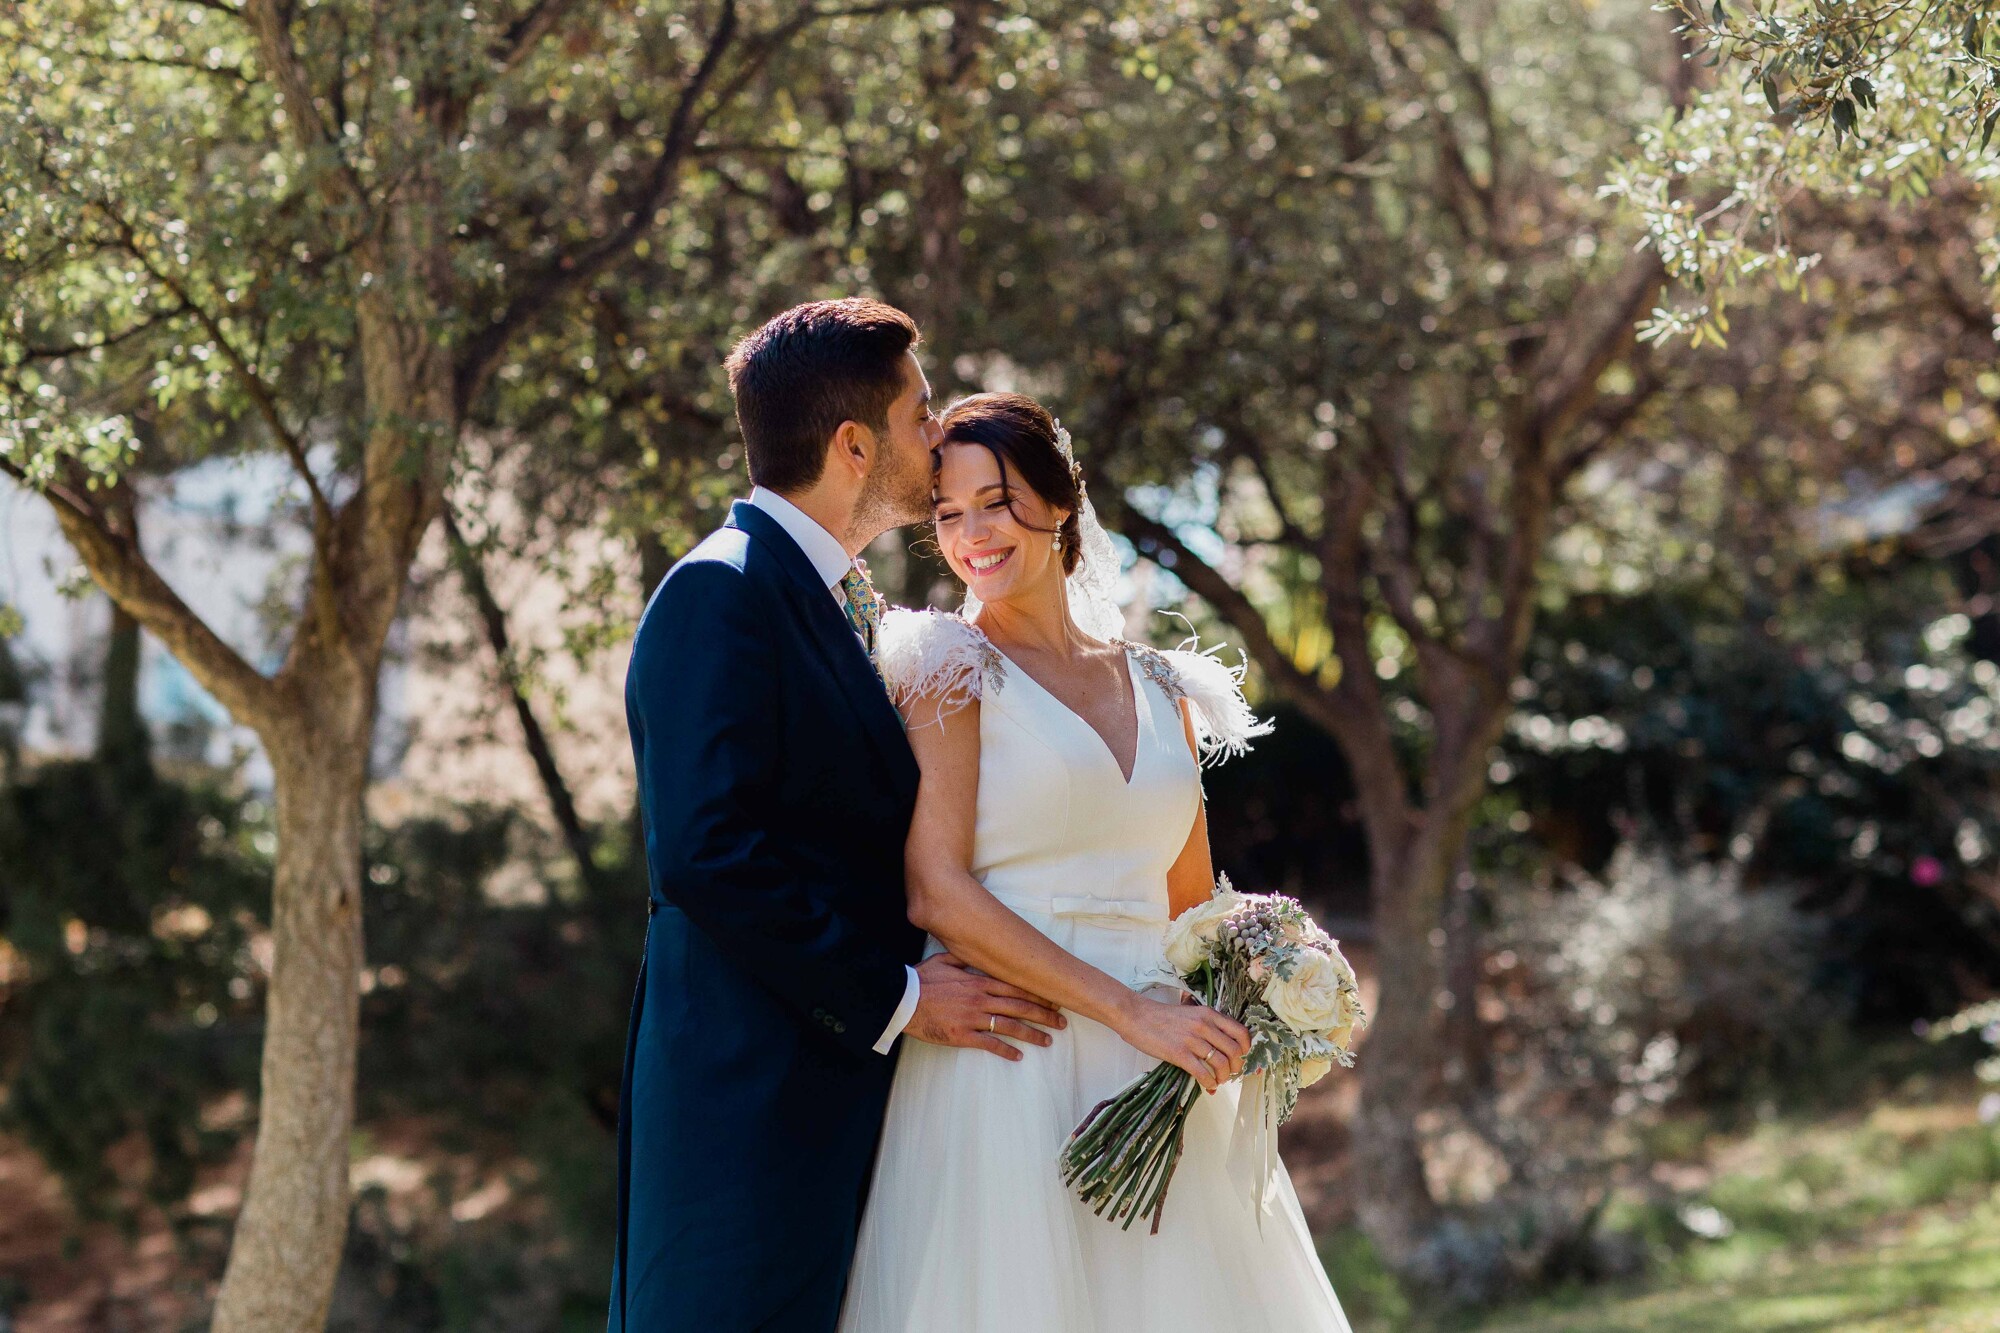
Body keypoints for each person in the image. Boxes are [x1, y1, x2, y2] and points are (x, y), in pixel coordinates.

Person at [838, 392, 1354, 1332]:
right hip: (1014, 1058)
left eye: (994, 501)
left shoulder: (1165, 685)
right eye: (947, 514)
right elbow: (936, 888)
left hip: (1158, 1062)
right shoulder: (947, 667)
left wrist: (1256, 981)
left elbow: (1191, 906)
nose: (970, 534)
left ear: (1061, 499)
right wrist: (1127, 1010)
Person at [609, 303, 1070, 1331]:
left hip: (851, 1107)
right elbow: (704, 856)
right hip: (746, 1111)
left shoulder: (839, 600)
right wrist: (895, 997)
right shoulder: (716, 595)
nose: (935, 433)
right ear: (853, 444)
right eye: (918, 414)